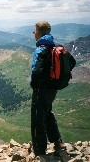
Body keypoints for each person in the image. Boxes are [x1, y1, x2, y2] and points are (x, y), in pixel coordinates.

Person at [30, 21, 69, 157]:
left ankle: (39, 150)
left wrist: (34, 85)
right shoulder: (56, 46)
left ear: (39, 33)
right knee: (47, 113)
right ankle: (57, 142)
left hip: (42, 89)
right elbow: (72, 62)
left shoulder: (41, 48)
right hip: (53, 88)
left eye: (34, 31)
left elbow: (36, 71)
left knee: (37, 118)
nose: (34, 33)